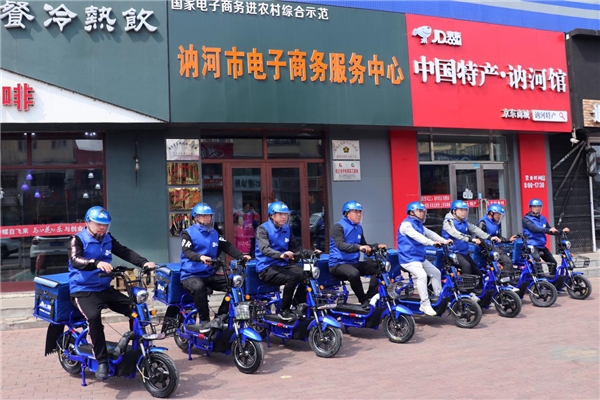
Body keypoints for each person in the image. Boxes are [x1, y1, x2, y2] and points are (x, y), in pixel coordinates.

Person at [68, 206, 156, 380]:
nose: (102, 228)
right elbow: (75, 259)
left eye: (105, 224)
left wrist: (143, 262)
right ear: (88, 222)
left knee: (135, 309)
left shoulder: (107, 238)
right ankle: (102, 361)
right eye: (98, 224)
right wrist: (95, 263)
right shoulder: (77, 239)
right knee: (94, 318)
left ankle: (139, 349)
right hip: (83, 290)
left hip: (104, 289)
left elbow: (124, 251)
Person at [180, 203, 251, 332]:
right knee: (199, 287)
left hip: (209, 273)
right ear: (195, 217)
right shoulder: (188, 233)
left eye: (209, 216)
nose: (207, 218)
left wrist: (241, 256)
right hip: (191, 275)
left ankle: (221, 316)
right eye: (203, 216)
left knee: (237, 283)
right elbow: (187, 252)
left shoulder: (214, 233)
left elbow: (227, 246)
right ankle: (205, 321)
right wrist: (200, 257)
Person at [255, 201, 317, 321]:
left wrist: (311, 253)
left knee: (309, 272)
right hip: (266, 268)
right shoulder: (263, 229)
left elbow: (296, 248)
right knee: (292, 277)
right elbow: (265, 249)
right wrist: (280, 255)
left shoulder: (286, 228)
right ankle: (284, 311)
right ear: (272, 215)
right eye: (280, 214)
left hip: (283, 266)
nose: (284, 217)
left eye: (285, 214)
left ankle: (297, 304)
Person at [328, 200, 386, 309]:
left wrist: (375, 246)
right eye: (355, 212)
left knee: (380, 267)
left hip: (353, 263)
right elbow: (341, 245)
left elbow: (364, 245)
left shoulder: (359, 228)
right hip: (338, 264)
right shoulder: (338, 227)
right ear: (347, 213)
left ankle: (370, 297)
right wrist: (359, 247)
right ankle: (363, 300)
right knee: (354, 273)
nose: (359, 214)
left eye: (360, 212)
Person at [397, 202, 452, 316]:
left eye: (423, 211)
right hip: (408, 259)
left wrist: (444, 241)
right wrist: (432, 243)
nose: (422, 213)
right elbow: (419, 237)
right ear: (411, 212)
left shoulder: (419, 225)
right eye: (419, 211)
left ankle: (438, 297)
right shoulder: (406, 225)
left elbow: (430, 234)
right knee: (422, 275)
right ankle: (425, 304)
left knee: (436, 272)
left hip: (419, 258)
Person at [442, 200, 500, 279]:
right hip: (453, 253)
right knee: (467, 266)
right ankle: (464, 286)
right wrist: (471, 239)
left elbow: (475, 229)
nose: (464, 212)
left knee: (478, 273)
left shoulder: (464, 222)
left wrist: (489, 237)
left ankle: (479, 287)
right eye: (461, 210)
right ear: (454, 211)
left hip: (464, 253)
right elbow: (455, 233)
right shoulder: (448, 222)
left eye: (465, 210)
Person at [523, 198, 569, 271]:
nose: (537, 208)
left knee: (553, 263)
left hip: (541, 245)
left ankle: (552, 277)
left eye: (539, 206)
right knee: (537, 264)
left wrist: (561, 231)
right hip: (532, 245)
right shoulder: (526, 219)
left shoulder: (543, 218)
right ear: (530, 207)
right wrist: (548, 230)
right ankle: (538, 278)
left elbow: (549, 229)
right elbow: (534, 229)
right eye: (534, 206)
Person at [476, 204, 518, 271]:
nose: (499, 216)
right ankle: (505, 277)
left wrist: (509, 239)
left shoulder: (495, 223)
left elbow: (498, 237)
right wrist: (489, 246)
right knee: (507, 261)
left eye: (500, 214)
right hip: (486, 249)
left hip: (495, 246)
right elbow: (479, 239)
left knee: (512, 255)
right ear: (491, 213)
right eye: (498, 214)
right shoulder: (483, 223)